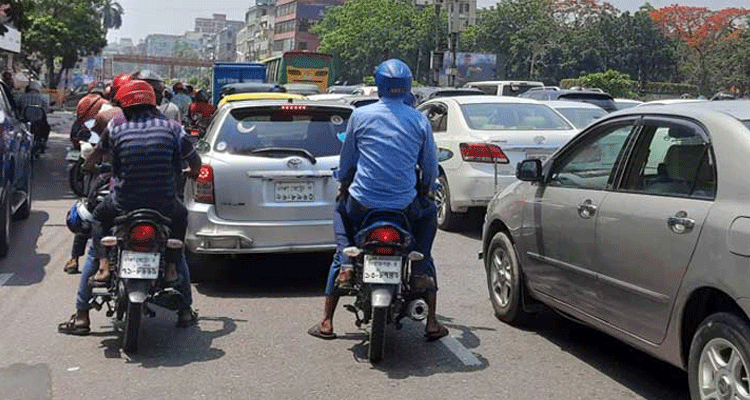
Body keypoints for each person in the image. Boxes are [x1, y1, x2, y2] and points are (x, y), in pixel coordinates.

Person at [308, 59, 448, 341]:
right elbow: (430, 167)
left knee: (340, 218)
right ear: (408, 86)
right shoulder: (419, 119)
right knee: (427, 226)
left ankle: (328, 315)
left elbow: (348, 162)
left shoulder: (360, 116)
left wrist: (344, 184)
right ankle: (430, 316)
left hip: (363, 205)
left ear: (379, 85)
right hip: (405, 207)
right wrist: (425, 190)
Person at [88, 80, 199, 326]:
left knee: (97, 218)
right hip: (164, 204)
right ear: (153, 101)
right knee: (181, 221)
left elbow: (95, 156)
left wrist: (88, 167)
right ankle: (171, 270)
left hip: (124, 202)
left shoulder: (116, 127)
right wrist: (189, 172)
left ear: (124, 104)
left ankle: (104, 267)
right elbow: (196, 163)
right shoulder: (173, 128)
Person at [17, 80, 50, 152]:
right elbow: (46, 109)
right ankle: (43, 142)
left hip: (24, 120)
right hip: (39, 121)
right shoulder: (42, 98)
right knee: (47, 127)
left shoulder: (22, 97)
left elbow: (17, 107)